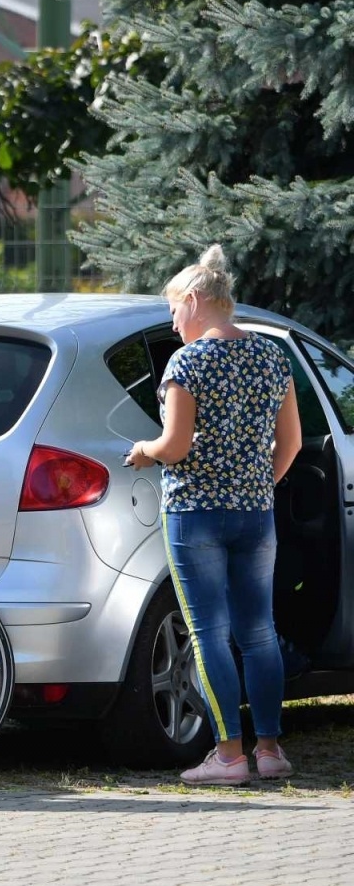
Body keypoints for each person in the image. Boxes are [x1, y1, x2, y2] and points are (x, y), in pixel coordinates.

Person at [127, 245, 301, 785]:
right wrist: (257, 486)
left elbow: (175, 446)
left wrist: (144, 449)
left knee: (208, 634)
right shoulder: (272, 356)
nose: (172, 323)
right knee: (260, 633)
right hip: (255, 513)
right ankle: (270, 750)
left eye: (173, 310)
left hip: (194, 512)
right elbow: (291, 443)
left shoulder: (188, 362)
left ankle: (228, 757)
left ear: (195, 301)